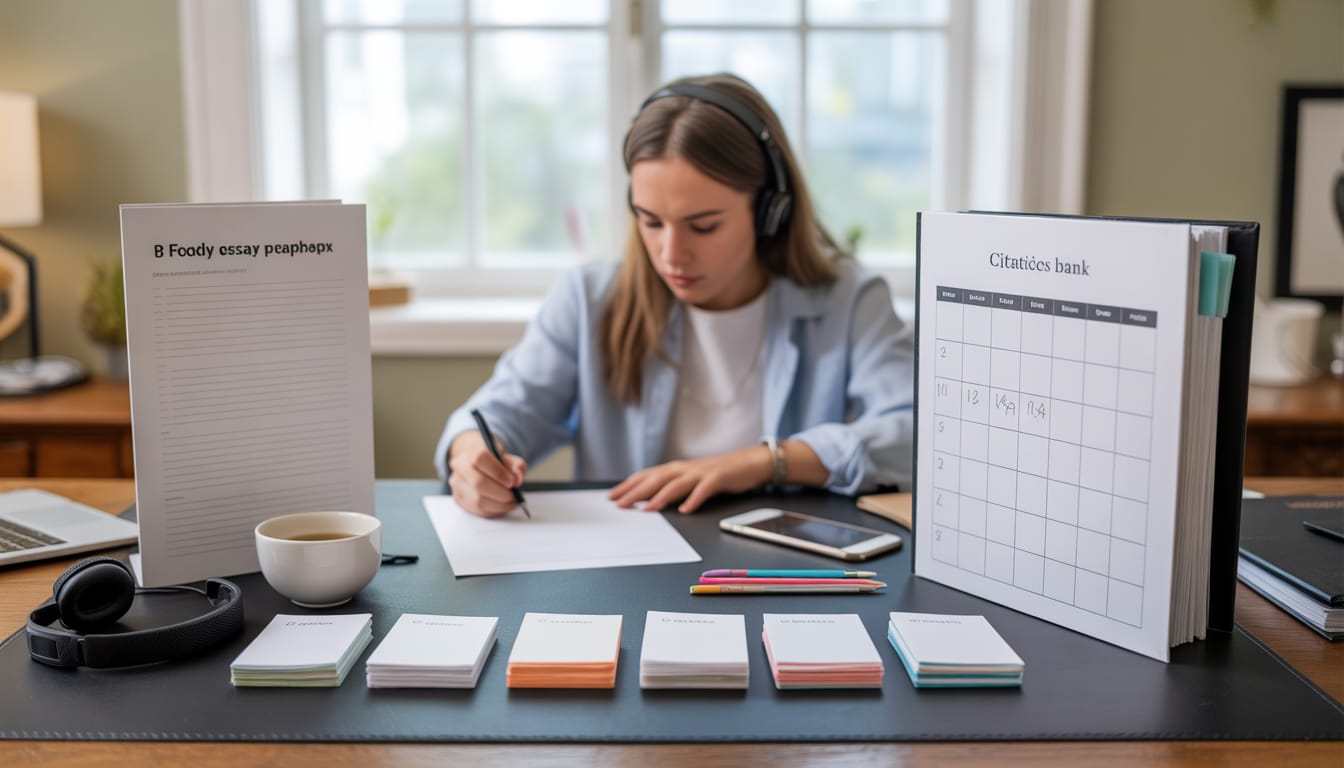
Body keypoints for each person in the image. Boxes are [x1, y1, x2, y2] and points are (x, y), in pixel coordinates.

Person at [435, 73, 914, 517]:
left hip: (783, 567)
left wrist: (763, 462)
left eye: (703, 226)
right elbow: (496, 414)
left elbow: (916, 435)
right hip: (631, 565)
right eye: (650, 221)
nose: (671, 255)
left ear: (770, 211)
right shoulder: (588, 298)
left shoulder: (850, 301)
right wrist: (473, 456)